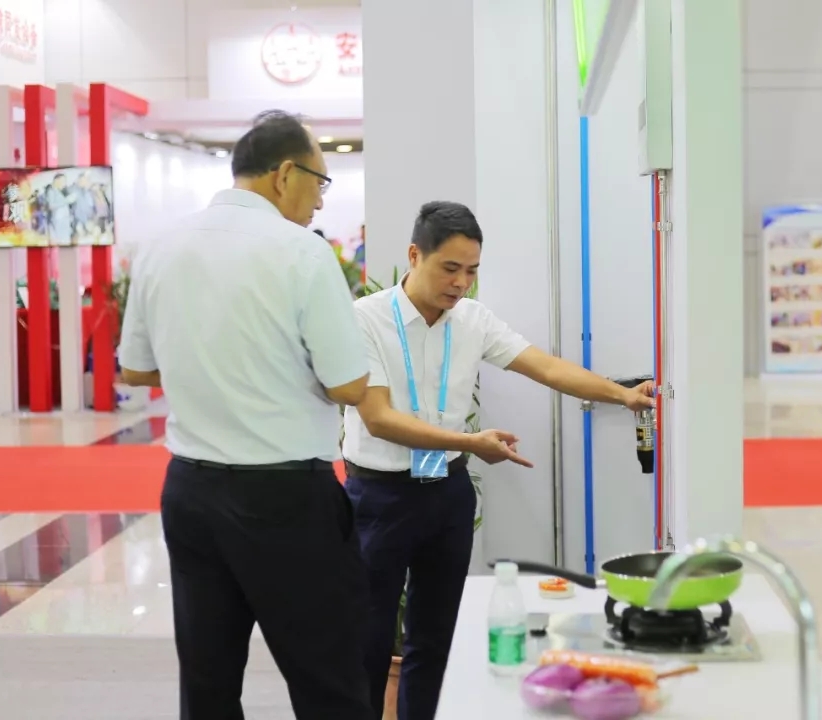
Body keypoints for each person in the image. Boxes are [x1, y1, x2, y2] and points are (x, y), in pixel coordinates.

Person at [342, 201, 656, 720]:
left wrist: (622, 395)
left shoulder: (473, 320)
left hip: (447, 495)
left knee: (436, 639)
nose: (461, 283)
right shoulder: (365, 319)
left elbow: (546, 367)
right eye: (450, 268)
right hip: (380, 497)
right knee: (368, 639)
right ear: (414, 255)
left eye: (471, 271)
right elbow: (377, 418)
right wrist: (470, 442)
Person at [118, 110, 375, 720]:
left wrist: (208, 365)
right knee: (329, 683)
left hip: (191, 493)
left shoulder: (161, 247)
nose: (320, 200)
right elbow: (349, 385)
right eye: (319, 181)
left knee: (207, 685)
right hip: (286, 498)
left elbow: (135, 369)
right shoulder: (301, 252)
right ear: (285, 174)